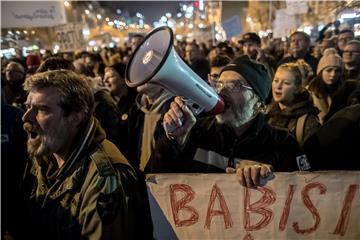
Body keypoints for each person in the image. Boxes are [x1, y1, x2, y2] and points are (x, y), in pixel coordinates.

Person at [21, 70, 149, 239]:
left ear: (76, 117)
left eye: (42, 110)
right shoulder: (45, 153)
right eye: (28, 107)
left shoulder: (105, 177)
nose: (26, 118)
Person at [150, 55, 310, 188]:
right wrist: (173, 142)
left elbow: (303, 193)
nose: (221, 91)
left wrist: (271, 178)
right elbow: (156, 182)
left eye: (235, 86)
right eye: (219, 84)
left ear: (258, 103)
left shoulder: (283, 143)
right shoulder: (195, 130)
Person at [266, 63, 320, 147]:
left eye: (286, 83)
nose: (278, 86)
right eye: (276, 80)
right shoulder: (267, 113)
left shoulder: (308, 122)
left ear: (297, 88)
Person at [306, 48, 343, 123]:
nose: (333, 75)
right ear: (320, 72)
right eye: (329, 70)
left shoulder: (345, 91)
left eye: (337, 71)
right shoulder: (308, 92)